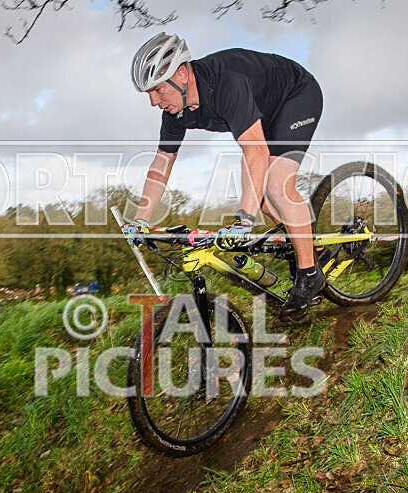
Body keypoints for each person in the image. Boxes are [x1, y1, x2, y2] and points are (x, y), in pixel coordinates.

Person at [124, 33, 325, 314]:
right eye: (149, 94)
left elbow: (255, 152)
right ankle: (306, 246)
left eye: (157, 90)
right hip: (263, 111)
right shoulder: (175, 113)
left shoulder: (227, 83)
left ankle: (310, 273)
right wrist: (141, 219)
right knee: (263, 197)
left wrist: (244, 221)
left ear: (181, 74)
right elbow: (162, 163)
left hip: (296, 94)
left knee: (276, 186)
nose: (154, 102)